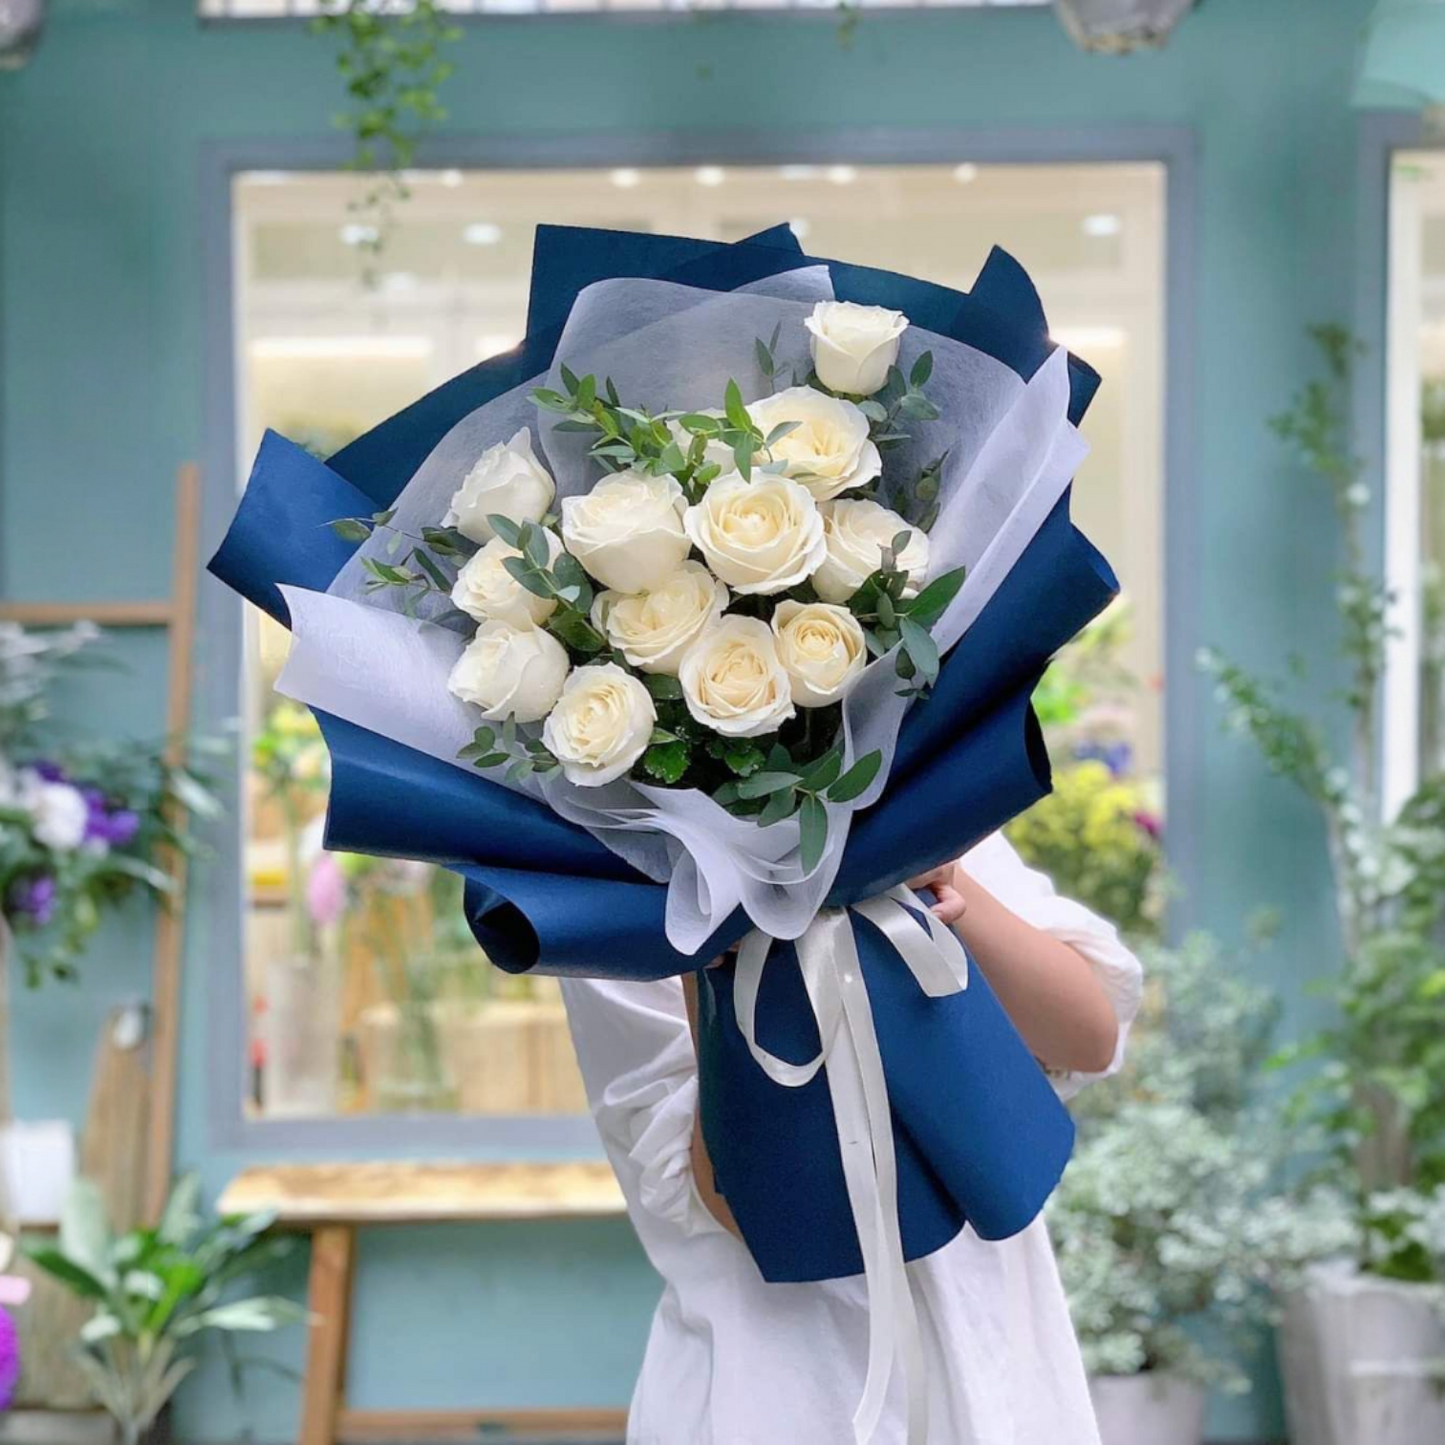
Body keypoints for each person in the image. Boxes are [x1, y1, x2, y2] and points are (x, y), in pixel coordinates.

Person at [559, 832, 1143, 1445]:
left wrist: (929, 868)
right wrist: (707, 948)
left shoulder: (901, 786)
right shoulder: (613, 872)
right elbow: (745, 1205)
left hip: (999, 1364)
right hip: (787, 1391)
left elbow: (1088, 1034)